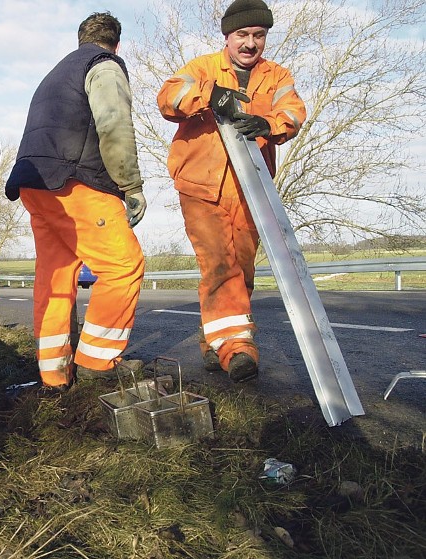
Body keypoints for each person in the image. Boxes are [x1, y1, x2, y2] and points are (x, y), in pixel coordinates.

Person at [157, 0, 307, 382]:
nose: (251, 43)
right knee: (219, 262)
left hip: (249, 188)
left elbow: (292, 113)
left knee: (242, 268)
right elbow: (168, 98)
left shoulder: (276, 75)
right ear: (228, 36)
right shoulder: (202, 68)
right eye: (243, 35)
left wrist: (269, 124)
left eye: (259, 36)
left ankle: (216, 341)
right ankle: (238, 350)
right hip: (200, 184)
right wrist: (207, 95)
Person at [5, 12, 147, 393]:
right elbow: (114, 124)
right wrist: (130, 185)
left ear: (80, 39)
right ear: (116, 43)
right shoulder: (103, 66)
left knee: (56, 277)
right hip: (75, 183)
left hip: (35, 185)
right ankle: (96, 366)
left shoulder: (54, 75)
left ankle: (53, 375)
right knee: (123, 267)